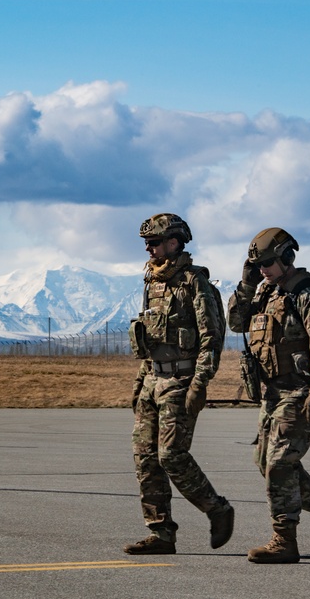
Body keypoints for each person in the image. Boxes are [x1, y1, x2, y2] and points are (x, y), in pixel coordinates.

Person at [227, 227, 310, 564]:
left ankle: (284, 540)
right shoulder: (265, 292)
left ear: (287, 257)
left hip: (299, 392)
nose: (264, 269)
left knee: (280, 467)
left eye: (268, 262)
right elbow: (236, 322)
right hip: (271, 393)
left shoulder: (309, 296)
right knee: (267, 465)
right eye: (257, 265)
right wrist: (246, 284)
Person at [124, 212, 234, 555]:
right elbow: (151, 338)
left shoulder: (195, 283)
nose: (148, 249)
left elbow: (211, 338)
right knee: (146, 458)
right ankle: (160, 533)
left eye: (154, 242)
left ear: (174, 242)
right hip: (152, 380)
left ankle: (216, 508)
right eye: (146, 244)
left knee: (171, 455)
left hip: (180, 379)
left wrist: (199, 383)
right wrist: (141, 380)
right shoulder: (152, 282)